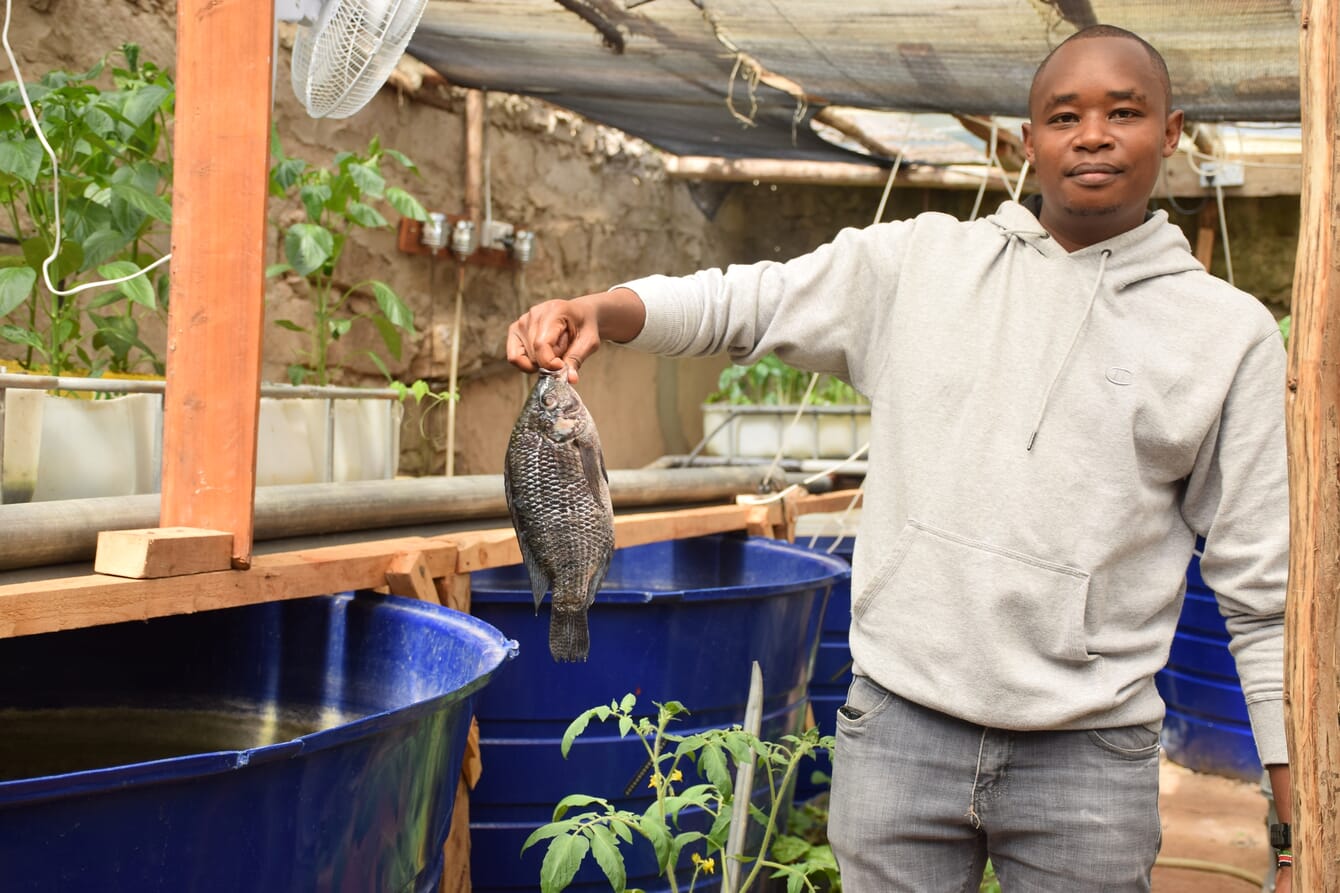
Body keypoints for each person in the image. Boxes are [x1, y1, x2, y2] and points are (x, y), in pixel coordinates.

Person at [506, 24, 1292, 892]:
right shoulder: (916, 266)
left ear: (1172, 131)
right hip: (900, 728)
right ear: (1026, 142)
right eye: (1065, 115)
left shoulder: (1228, 337)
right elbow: (748, 300)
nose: (1095, 134)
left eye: (1125, 112)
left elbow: (1264, 593)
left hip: (1089, 755)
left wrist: (1291, 801)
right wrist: (604, 310)